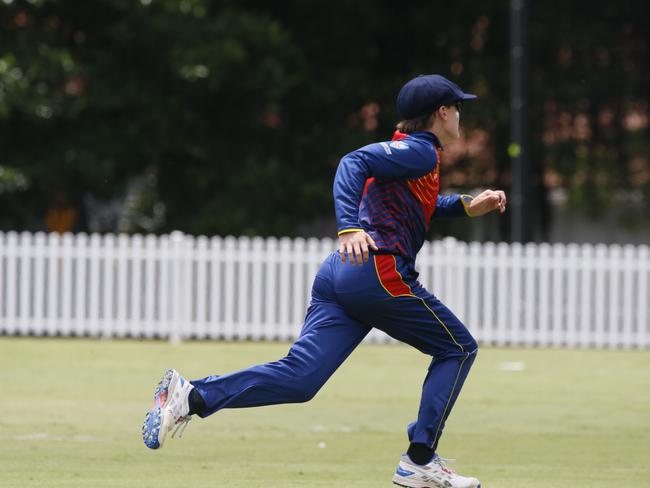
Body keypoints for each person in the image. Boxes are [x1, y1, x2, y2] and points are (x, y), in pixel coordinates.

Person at [141, 74, 506, 488]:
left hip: (341, 277)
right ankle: (419, 459)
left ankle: (191, 395)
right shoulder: (420, 153)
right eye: (458, 107)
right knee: (458, 348)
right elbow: (353, 162)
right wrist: (349, 226)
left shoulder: (410, 153)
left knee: (300, 379)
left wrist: (466, 206)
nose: (460, 115)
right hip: (376, 275)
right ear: (443, 112)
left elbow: (417, 203)